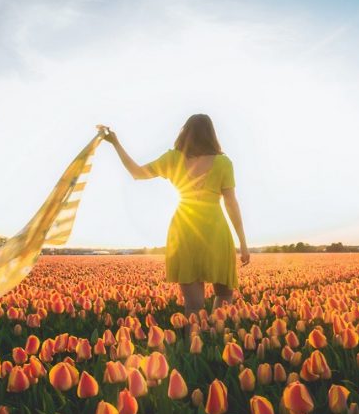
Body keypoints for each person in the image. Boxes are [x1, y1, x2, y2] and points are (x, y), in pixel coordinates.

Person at [98, 114, 249, 318]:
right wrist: (243, 242)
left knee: (193, 307)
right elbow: (231, 203)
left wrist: (115, 143)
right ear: (212, 134)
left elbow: (137, 173)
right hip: (216, 231)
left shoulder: (173, 158)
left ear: (185, 133)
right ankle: (215, 338)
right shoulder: (223, 163)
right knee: (223, 296)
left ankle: (192, 346)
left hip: (184, 230)